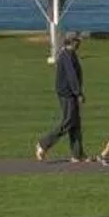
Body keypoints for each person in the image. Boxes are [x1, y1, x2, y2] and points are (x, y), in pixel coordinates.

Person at [36, 33, 86, 163]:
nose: (80, 43)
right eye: (78, 41)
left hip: (70, 93)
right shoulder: (67, 55)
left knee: (75, 123)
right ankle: (43, 144)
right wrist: (78, 93)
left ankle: (77, 154)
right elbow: (71, 76)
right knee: (69, 121)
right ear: (72, 42)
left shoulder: (70, 54)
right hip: (67, 93)